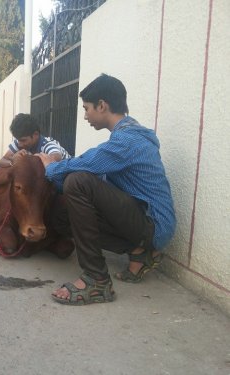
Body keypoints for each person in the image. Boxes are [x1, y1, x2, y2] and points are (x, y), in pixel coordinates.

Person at [37, 74, 176, 305]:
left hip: (153, 224)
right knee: (61, 216)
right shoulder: (124, 137)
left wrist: (51, 167)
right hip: (141, 220)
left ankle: (96, 280)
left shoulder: (128, 141)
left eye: (87, 108)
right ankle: (140, 251)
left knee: (78, 182)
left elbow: (87, 164)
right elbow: (97, 176)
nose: (85, 116)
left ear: (102, 105)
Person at [0, 113, 70, 168]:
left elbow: (56, 157)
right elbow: (1, 161)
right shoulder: (18, 142)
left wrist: (28, 159)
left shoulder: (47, 144)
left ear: (36, 134)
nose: (19, 144)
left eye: (23, 140)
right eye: (18, 140)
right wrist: (13, 162)